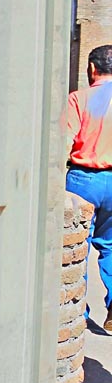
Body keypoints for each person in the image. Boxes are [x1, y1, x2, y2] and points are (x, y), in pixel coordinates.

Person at [66, 44, 112, 329]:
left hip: (84, 179)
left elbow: (64, 140)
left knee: (77, 246)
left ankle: (75, 314)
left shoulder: (79, 99)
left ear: (92, 69)